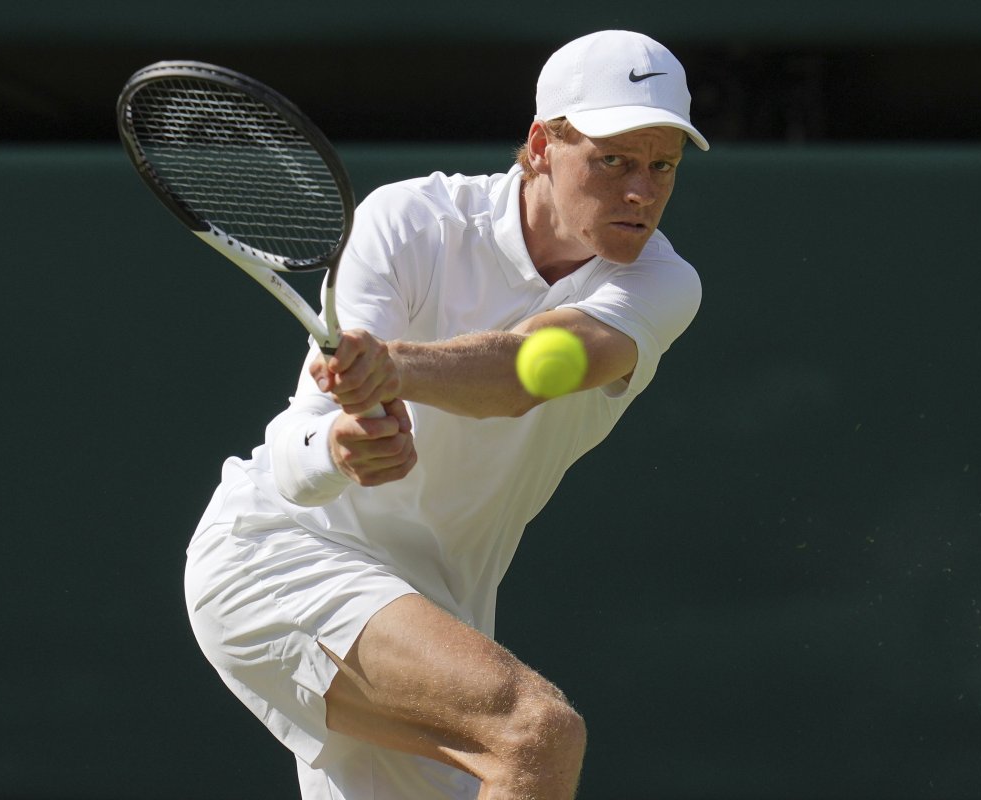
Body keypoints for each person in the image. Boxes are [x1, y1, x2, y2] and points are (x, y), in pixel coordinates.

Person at [184, 29, 709, 800]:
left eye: (662, 165)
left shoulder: (664, 284)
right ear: (541, 146)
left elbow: (530, 368)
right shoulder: (408, 222)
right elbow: (299, 455)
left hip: (434, 612)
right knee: (534, 733)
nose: (642, 191)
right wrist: (338, 448)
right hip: (278, 559)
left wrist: (395, 366)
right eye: (613, 161)